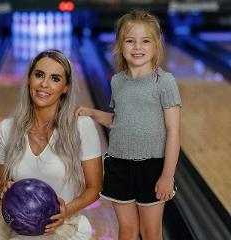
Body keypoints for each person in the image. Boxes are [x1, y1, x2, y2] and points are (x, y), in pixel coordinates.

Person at [76, 10, 181, 240]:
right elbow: (119, 121)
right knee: (127, 231)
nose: (137, 47)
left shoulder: (164, 82)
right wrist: (92, 113)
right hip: (119, 166)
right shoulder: (118, 81)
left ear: (156, 46)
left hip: (152, 167)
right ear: (120, 46)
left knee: (151, 231)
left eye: (145, 41)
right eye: (130, 40)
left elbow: (173, 131)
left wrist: (167, 175)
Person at [0, 49, 103, 240]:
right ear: (29, 79)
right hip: (20, 232)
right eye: (39, 75)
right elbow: (2, 189)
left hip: (66, 229)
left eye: (55, 78)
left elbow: (95, 188)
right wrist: (5, 189)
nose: (44, 84)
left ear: (66, 87)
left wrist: (65, 211)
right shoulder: (6, 129)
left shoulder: (82, 126)